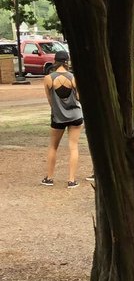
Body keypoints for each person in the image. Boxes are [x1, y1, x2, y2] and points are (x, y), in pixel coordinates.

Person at [42, 50, 83, 187]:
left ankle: (49, 177)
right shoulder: (73, 78)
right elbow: (78, 98)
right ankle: (71, 180)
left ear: (55, 61)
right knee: (73, 147)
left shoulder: (48, 78)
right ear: (67, 61)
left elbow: (50, 100)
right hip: (76, 116)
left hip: (58, 117)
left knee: (53, 146)